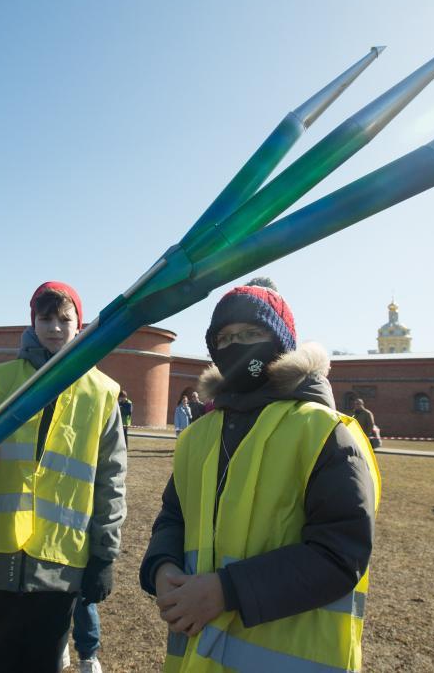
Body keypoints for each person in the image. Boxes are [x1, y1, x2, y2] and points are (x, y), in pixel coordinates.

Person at [140, 285, 379, 671]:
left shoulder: (324, 432)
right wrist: (161, 566)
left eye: (252, 334)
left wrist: (227, 591)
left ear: (282, 343)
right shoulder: (198, 436)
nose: (238, 345)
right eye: (226, 338)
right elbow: (174, 517)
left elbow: (340, 553)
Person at [0, 282, 126, 673]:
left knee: (45, 663)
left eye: (65, 319)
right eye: (45, 318)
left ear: (81, 324)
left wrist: (104, 555)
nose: (55, 328)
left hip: (60, 563)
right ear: (32, 322)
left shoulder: (102, 393)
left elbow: (111, 482)